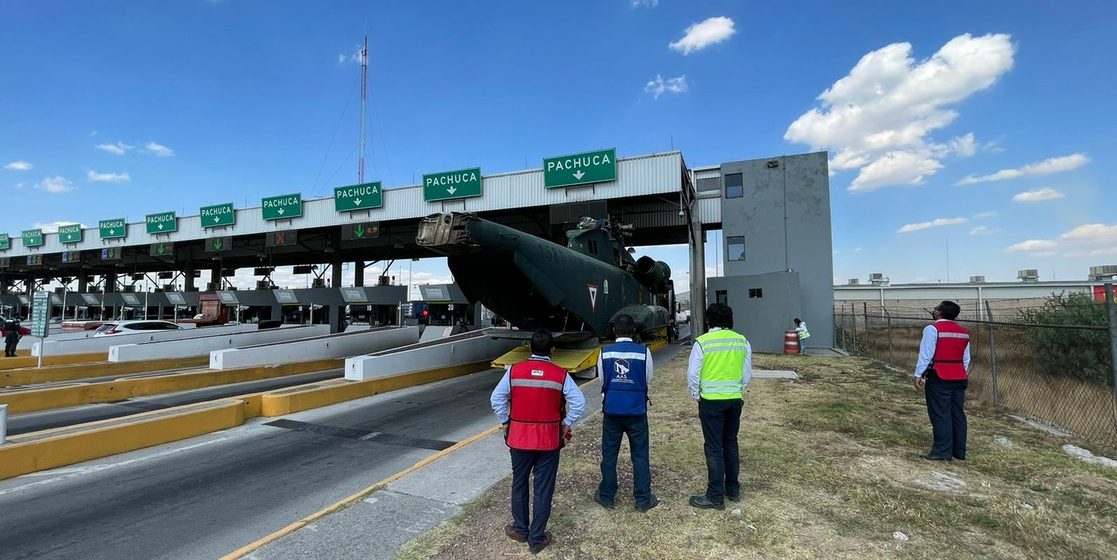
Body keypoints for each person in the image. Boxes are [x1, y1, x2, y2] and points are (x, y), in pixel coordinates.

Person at [490, 328, 585, 554]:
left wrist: (505, 421)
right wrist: (566, 423)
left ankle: (520, 530)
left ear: (530, 348)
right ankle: (537, 539)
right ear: (553, 350)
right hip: (548, 441)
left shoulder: (514, 371)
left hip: (518, 438)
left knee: (519, 483)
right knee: (543, 488)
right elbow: (579, 403)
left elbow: (497, 398)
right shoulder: (560, 374)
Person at [687, 303, 751, 510]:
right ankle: (733, 489)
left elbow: (693, 374)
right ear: (731, 319)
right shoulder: (742, 341)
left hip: (710, 402)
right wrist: (737, 390)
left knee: (714, 447)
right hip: (734, 399)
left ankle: (715, 496)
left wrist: (696, 395)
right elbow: (747, 374)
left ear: (708, 320)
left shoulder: (703, 342)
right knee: (730, 443)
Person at [594, 314, 659, 512]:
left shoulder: (604, 352)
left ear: (614, 331)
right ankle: (642, 499)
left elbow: (602, 381)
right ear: (633, 331)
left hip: (612, 410)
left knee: (609, 453)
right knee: (640, 455)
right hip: (637, 411)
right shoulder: (644, 352)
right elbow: (648, 378)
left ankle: (607, 496)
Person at [913, 301, 971, 461]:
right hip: (959, 377)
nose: (934, 310)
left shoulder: (933, 329)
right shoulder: (963, 332)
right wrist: (961, 372)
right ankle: (959, 450)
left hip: (939, 375)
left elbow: (926, 354)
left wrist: (918, 374)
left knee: (940, 413)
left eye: (936, 308)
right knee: (957, 413)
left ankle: (942, 450)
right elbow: (966, 358)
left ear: (940, 313)